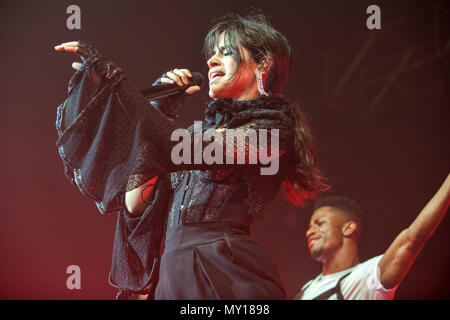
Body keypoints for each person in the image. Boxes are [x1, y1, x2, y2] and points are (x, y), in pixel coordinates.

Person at [54, 13, 327, 299]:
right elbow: (135, 203)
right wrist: (163, 109)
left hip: (226, 271)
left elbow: (179, 148)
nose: (211, 61)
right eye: (211, 54)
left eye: (226, 52)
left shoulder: (272, 132)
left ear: (263, 64)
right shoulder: (196, 136)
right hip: (173, 275)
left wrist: (117, 84)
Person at [296, 173, 450, 300]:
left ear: (348, 228)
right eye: (309, 227)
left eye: (319, 223)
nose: (309, 232)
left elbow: (412, 239)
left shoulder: (366, 280)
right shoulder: (307, 288)